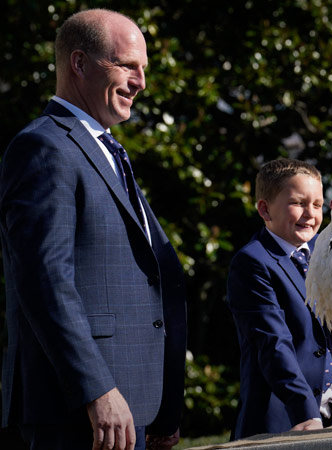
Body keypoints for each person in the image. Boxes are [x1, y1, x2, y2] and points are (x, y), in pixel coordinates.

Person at [0, 9, 186, 450]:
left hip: (133, 407)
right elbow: (44, 282)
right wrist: (97, 390)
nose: (141, 82)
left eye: (144, 69)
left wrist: (162, 408)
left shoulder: (106, 148)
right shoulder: (43, 147)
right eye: (127, 66)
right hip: (81, 412)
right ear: (79, 64)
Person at [226, 159, 332, 439]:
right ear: (265, 209)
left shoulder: (329, 251)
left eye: (317, 205)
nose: (310, 214)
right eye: (298, 203)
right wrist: (305, 412)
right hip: (286, 419)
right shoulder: (252, 262)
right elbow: (272, 343)